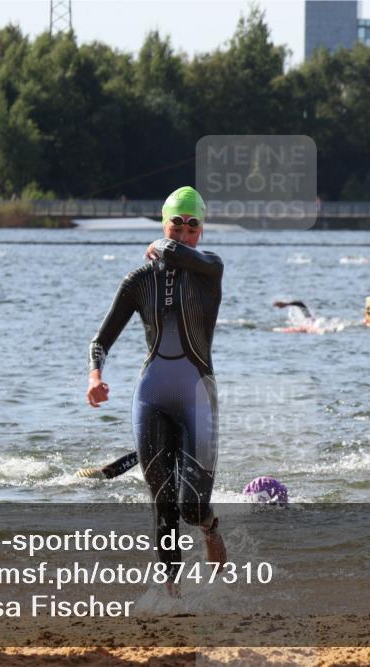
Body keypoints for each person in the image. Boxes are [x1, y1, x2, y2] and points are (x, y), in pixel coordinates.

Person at [86, 186, 226, 579]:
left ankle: (210, 527)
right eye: (175, 224)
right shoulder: (138, 281)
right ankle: (172, 596)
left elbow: (178, 255)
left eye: (192, 226)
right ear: (165, 224)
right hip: (151, 395)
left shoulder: (210, 269)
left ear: (201, 231)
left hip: (197, 394)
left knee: (191, 507)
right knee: (162, 503)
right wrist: (95, 376)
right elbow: (100, 340)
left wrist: (160, 244)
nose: (183, 233)